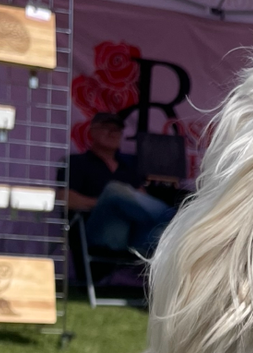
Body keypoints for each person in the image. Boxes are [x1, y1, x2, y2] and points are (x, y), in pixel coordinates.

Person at [66, 111, 177, 260]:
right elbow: (65, 199)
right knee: (114, 190)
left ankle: (173, 222)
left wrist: (123, 202)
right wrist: (108, 202)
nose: (113, 133)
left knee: (163, 233)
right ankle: (175, 217)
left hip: (135, 237)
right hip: (99, 232)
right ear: (92, 131)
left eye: (117, 130)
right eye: (107, 128)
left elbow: (141, 199)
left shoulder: (128, 168)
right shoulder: (77, 162)